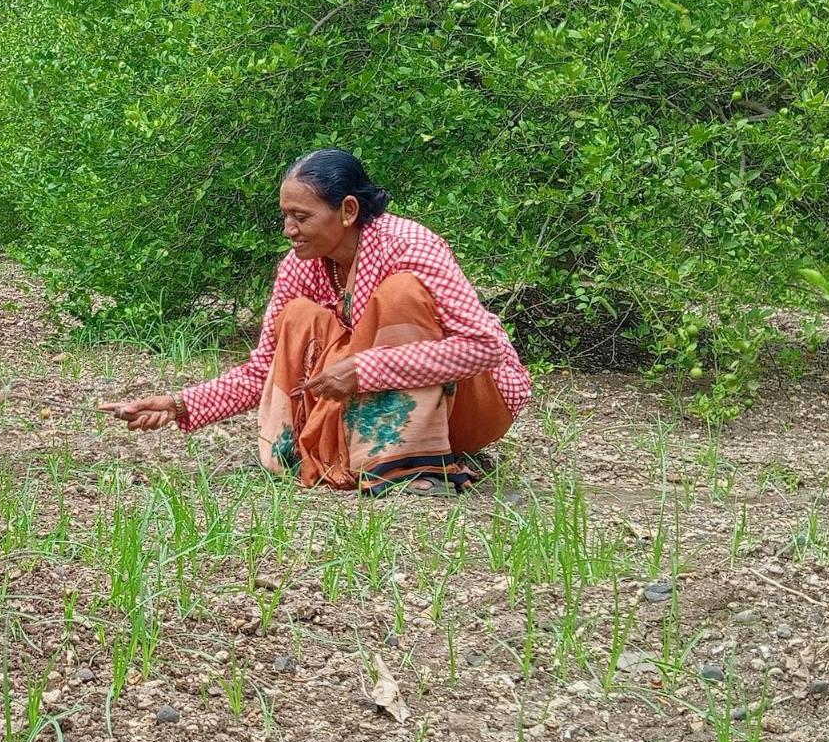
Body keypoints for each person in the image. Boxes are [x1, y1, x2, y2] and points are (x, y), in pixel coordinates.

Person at [102, 149, 530, 496]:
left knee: (401, 294)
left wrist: (365, 371)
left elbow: (485, 346)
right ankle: (367, 456)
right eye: (285, 216)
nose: (289, 229)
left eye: (301, 217)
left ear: (347, 210)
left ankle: (413, 466)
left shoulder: (410, 245)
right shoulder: (300, 267)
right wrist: (180, 405)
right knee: (300, 316)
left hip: (476, 404)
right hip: (378, 407)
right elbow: (263, 369)